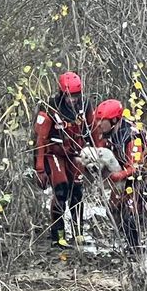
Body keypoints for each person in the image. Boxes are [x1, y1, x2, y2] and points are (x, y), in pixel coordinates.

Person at [33, 71, 92, 248]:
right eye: (69, 96)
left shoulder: (86, 104)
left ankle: (79, 233)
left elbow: (93, 129)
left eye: (75, 96)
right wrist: (40, 169)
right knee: (61, 190)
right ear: (61, 93)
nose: (72, 100)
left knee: (77, 192)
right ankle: (58, 236)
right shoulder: (50, 107)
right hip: (55, 154)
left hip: (76, 154)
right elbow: (40, 140)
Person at [88, 98, 147, 251]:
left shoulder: (132, 138)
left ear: (114, 120)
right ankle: (127, 236)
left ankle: (136, 247)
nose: (97, 124)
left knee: (130, 212)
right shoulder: (108, 131)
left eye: (101, 121)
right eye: (97, 120)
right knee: (113, 208)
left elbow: (135, 167)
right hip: (122, 170)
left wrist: (116, 176)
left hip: (140, 175)